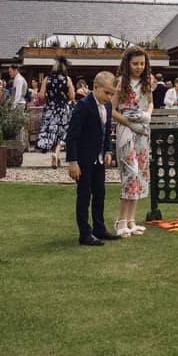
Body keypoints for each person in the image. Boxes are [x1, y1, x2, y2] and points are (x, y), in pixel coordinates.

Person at [60, 71, 120, 247]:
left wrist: (108, 151)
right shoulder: (84, 105)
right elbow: (72, 136)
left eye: (112, 94)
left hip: (100, 159)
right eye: (106, 93)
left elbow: (107, 131)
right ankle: (85, 234)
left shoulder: (108, 107)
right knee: (84, 196)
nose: (109, 97)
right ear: (95, 88)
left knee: (100, 194)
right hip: (84, 160)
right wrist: (73, 162)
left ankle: (99, 229)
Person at [111, 46, 154, 237]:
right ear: (127, 63)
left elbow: (150, 102)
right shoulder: (120, 82)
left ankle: (131, 220)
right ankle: (120, 221)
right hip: (126, 131)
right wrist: (130, 123)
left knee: (140, 174)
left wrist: (147, 115)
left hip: (143, 131)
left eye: (142, 64)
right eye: (135, 63)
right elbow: (112, 110)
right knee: (130, 172)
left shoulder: (148, 81)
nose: (139, 67)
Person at [36, 56, 76, 167]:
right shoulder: (67, 79)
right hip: (63, 108)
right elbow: (72, 96)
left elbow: (41, 96)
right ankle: (56, 153)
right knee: (62, 132)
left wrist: (50, 98)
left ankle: (55, 155)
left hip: (50, 108)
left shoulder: (47, 79)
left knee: (52, 131)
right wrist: (64, 99)